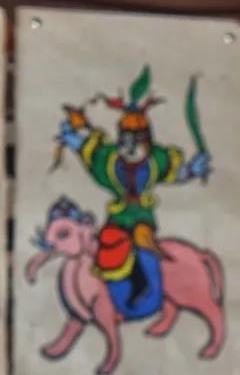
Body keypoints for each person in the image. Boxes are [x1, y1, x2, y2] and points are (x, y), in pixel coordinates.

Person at [57, 66, 210, 319]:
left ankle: (144, 288)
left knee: (142, 241)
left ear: (147, 141)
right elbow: (91, 153)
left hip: (141, 215)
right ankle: (114, 297)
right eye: (125, 140)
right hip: (118, 215)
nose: (130, 147)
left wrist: (193, 169)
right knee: (108, 246)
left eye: (136, 140)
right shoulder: (110, 160)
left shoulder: (156, 161)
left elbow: (175, 173)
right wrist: (75, 140)